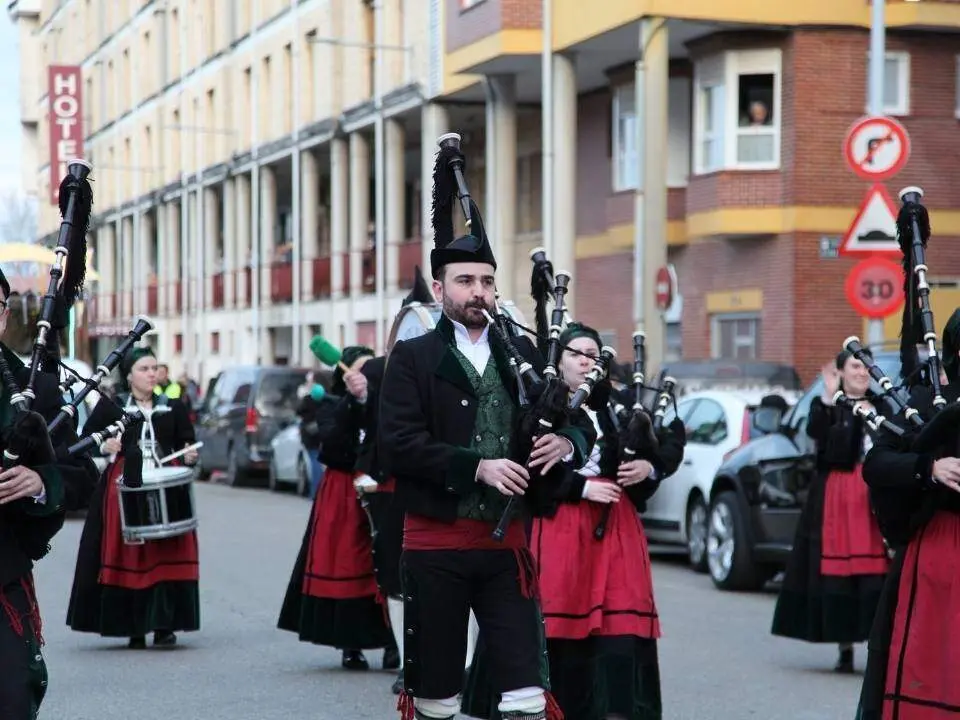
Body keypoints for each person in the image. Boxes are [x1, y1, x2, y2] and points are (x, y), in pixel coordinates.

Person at [379, 137, 596, 720]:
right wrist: (475, 466)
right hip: (436, 546)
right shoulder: (414, 356)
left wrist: (567, 442)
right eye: (465, 281)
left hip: (508, 549)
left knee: (526, 693)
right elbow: (397, 445)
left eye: (486, 282)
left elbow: (579, 420)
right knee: (438, 697)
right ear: (442, 287)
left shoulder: (522, 352)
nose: (478, 292)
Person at [0, 268, 99, 718]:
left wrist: (42, 483)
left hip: (2, 572)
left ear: (4, 317)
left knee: (13, 697)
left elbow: (78, 471)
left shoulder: (30, 384)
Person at [66, 346, 201, 649]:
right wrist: (105, 446)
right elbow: (84, 441)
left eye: (154, 368)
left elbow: (187, 444)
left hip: (164, 481)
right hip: (125, 485)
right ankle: (134, 625)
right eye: (144, 369)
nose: (152, 374)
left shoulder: (173, 406)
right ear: (128, 375)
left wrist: (190, 455)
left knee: (167, 549)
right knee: (131, 552)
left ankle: (165, 624)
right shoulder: (112, 407)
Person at [278, 343, 397, 671]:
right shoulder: (330, 404)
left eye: (370, 370)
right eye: (358, 370)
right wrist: (353, 400)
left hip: (381, 484)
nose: (365, 377)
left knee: (389, 563)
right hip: (344, 489)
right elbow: (331, 442)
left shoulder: (387, 403)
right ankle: (351, 644)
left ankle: (393, 641)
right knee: (347, 563)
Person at [771, 349, 889, 672]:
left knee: (877, 573)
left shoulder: (883, 404)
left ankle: (880, 647)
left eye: (866, 367)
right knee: (840, 571)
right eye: (855, 366)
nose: (862, 372)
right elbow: (815, 432)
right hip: (838, 495)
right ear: (841, 372)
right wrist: (827, 394)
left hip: (874, 497)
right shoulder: (827, 405)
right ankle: (845, 646)